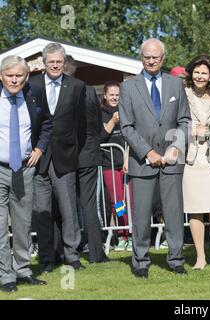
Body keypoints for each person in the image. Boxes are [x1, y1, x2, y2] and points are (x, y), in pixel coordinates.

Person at [119, 38, 190, 278]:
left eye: (155, 57)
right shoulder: (128, 87)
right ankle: (140, 261)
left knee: (173, 212)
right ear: (141, 57)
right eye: (147, 56)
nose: (151, 60)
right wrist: (147, 152)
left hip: (172, 161)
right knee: (140, 215)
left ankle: (176, 259)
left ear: (163, 58)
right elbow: (127, 127)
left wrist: (176, 147)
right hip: (142, 162)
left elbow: (184, 121)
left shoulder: (175, 84)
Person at [30, 43, 87, 273]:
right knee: (42, 212)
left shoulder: (77, 86)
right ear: (44, 63)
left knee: (68, 210)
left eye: (59, 61)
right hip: (37, 159)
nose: (55, 65)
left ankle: (72, 256)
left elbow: (81, 125)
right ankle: (46, 259)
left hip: (65, 157)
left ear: (64, 63)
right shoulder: (31, 85)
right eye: (51, 61)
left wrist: (75, 152)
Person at [0, 56, 51, 292]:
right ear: (1, 75)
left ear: (26, 76)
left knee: (22, 223)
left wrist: (40, 148)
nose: (14, 79)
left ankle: (22, 270)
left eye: (19, 75)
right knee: (0, 226)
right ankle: (5, 275)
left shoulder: (35, 93)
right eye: (9, 74)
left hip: (24, 168)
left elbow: (48, 124)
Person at [182, 54, 210, 270]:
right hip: (191, 158)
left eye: (204, 73)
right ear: (191, 73)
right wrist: (193, 130)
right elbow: (176, 123)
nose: (200, 76)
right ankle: (200, 257)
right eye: (197, 72)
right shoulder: (183, 94)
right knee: (195, 209)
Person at [64, 55, 108, 263]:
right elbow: (98, 123)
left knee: (67, 204)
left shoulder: (64, 91)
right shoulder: (90, 91)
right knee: (89, 205)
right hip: (89, 152)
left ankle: (67, 252)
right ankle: (96, 253)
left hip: (70, 154)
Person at [100, 80, 132, 251]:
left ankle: (132, 234)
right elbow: (100, 138)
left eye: (117, 95)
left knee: (131, 201)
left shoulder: (127, 110)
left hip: (127, 162)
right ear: (105, 95)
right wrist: (112, 121)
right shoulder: (101, 112)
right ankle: (122, 234)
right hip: (109, 164)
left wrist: (127, 157)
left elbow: (131, 137)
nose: (114, 98)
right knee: (117, 201)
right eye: (111, 94)